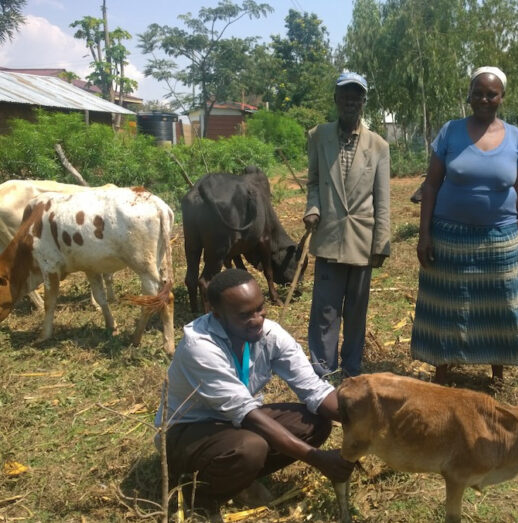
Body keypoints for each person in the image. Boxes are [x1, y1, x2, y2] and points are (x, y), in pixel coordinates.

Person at [154, 269, 354, 520]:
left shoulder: (269, 334)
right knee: (250, 447)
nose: (258, 319)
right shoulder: (200, 347)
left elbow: (313, 389)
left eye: (260, 308)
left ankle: (239, 479)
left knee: (315, 422)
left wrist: (362, 422)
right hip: (186, 432)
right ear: (216, 314)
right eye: (245, 315)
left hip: (232, 424)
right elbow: (248, 415)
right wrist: (319, 460)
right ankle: (204, 498)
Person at [410, 66, 518, 385]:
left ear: (501, 97)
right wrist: (424, 235)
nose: (484, 98)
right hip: (449, 236)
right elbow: (431, 186)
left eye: (491, 94)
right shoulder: (450, 132)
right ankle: (442, 369)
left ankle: (497, 373)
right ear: (469, 96)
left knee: (500, 304)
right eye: (478, 92)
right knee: (447, 303)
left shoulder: (515, 137)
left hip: (500, 238)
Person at [303, 71, 391, 379]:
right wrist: (313, 208)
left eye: (357, 96)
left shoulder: (379, 146)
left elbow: (383, 199)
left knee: (356, 311)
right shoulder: (318, 136)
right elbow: (313, 182)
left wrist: (381, 243)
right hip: (328, 235)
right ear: (336, 99)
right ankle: (322, 373)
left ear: (364, 102)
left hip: (362, 240)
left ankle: (352, 371)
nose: (350, 101)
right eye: (345, 95)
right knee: (325, 311)